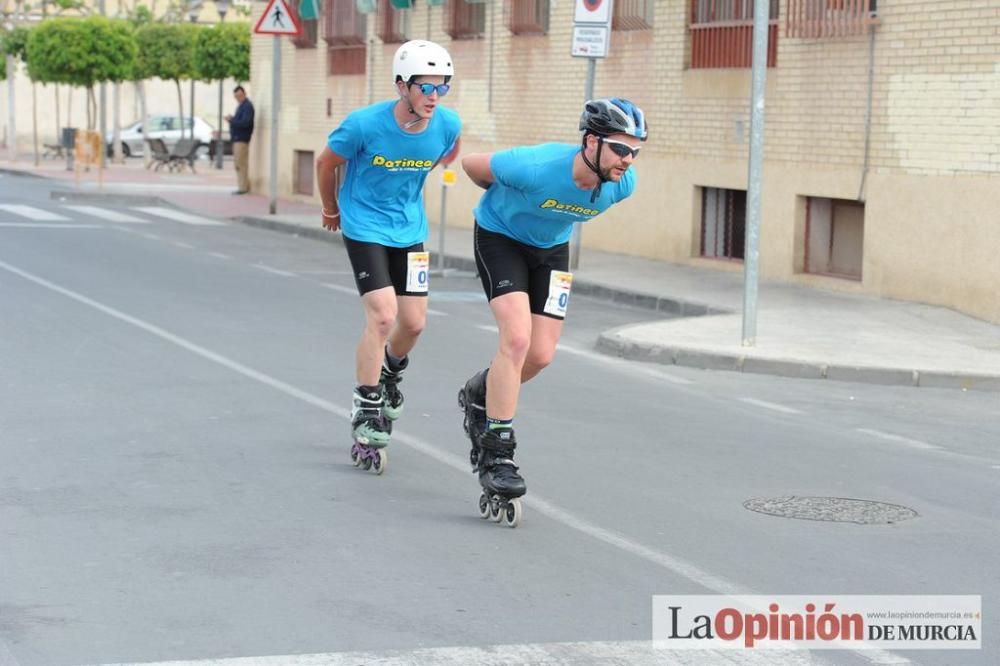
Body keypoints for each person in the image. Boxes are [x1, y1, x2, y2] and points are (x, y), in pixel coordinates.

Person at [458, 98, 647, 507]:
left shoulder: (621, 187)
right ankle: (498, 453)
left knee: (541, 355)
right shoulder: (535, 166)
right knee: (517, 341)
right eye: (620, 148)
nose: (628, 160)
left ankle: (481, 389)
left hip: (551, 250)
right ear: (591, 142)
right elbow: (472, 164)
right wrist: (503, 194)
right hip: (500, 238)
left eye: (636, 150)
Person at [315, 40, 461, 461]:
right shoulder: (363, 125)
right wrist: (331, 207)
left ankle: (390, 374)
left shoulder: (447, 125)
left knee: (413, 324)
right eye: (426, 88)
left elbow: (442, 156)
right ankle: (367, 405)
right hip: (364, 225)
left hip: (409, 229)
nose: (434, 97)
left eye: (442, 88)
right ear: (402, 86)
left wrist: (407, 192)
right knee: (383, 315)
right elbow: (326, 163)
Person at [225, 86, 255, 195]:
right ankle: (242, 186)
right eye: (236, 96)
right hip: (237, 138)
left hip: (242, 139)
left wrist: (232, 120)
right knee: (238, 163)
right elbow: (240, 121)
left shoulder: (247, 106)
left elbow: (246, 123)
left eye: (240, 95)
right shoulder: (241, 106)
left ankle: (243, 188)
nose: (238, 98)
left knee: (241, 163)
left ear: (244, 94)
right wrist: (233, 119)